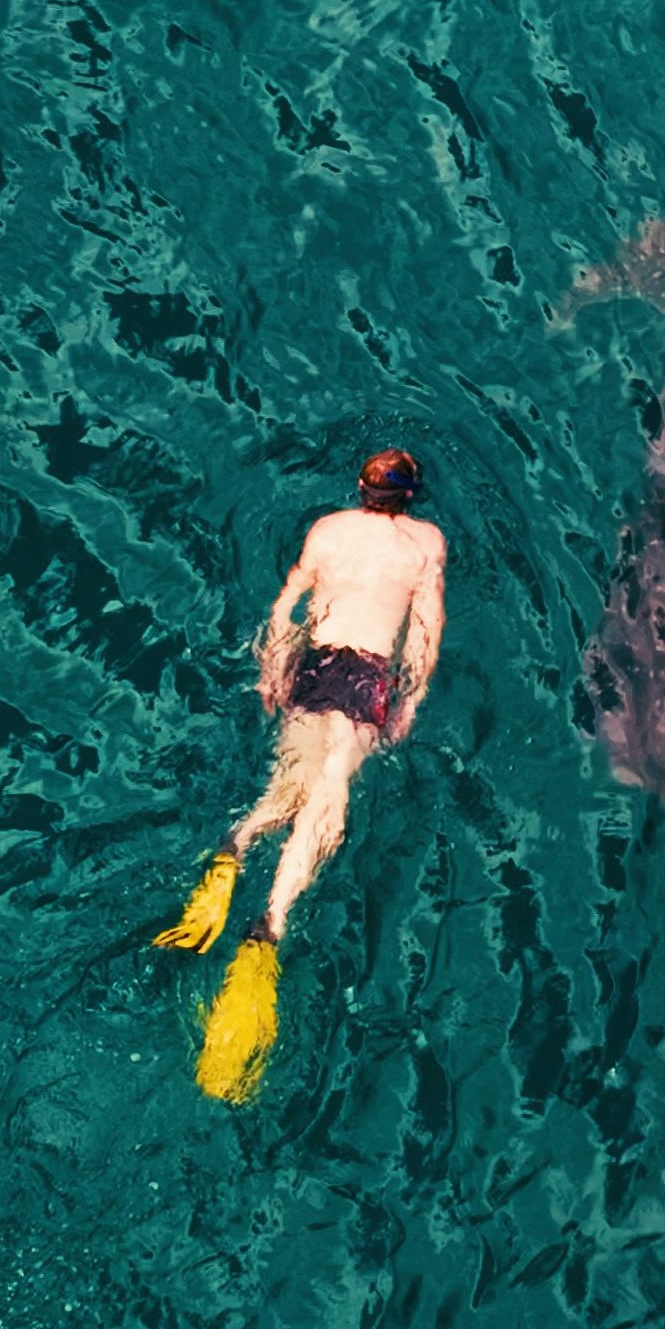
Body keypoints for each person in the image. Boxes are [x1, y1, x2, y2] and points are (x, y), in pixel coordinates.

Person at [156, 450, 446, 1101]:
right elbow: (425, 628)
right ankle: (269, 927)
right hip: (368, 671)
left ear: (360, 489)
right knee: (330, 804)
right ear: (411, 496)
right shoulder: (425, 541)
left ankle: (237, 843)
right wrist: (412, 699)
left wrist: (271, 669)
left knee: (288, 788)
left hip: (314, 668)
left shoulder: (325, 529)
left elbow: (287, 606)